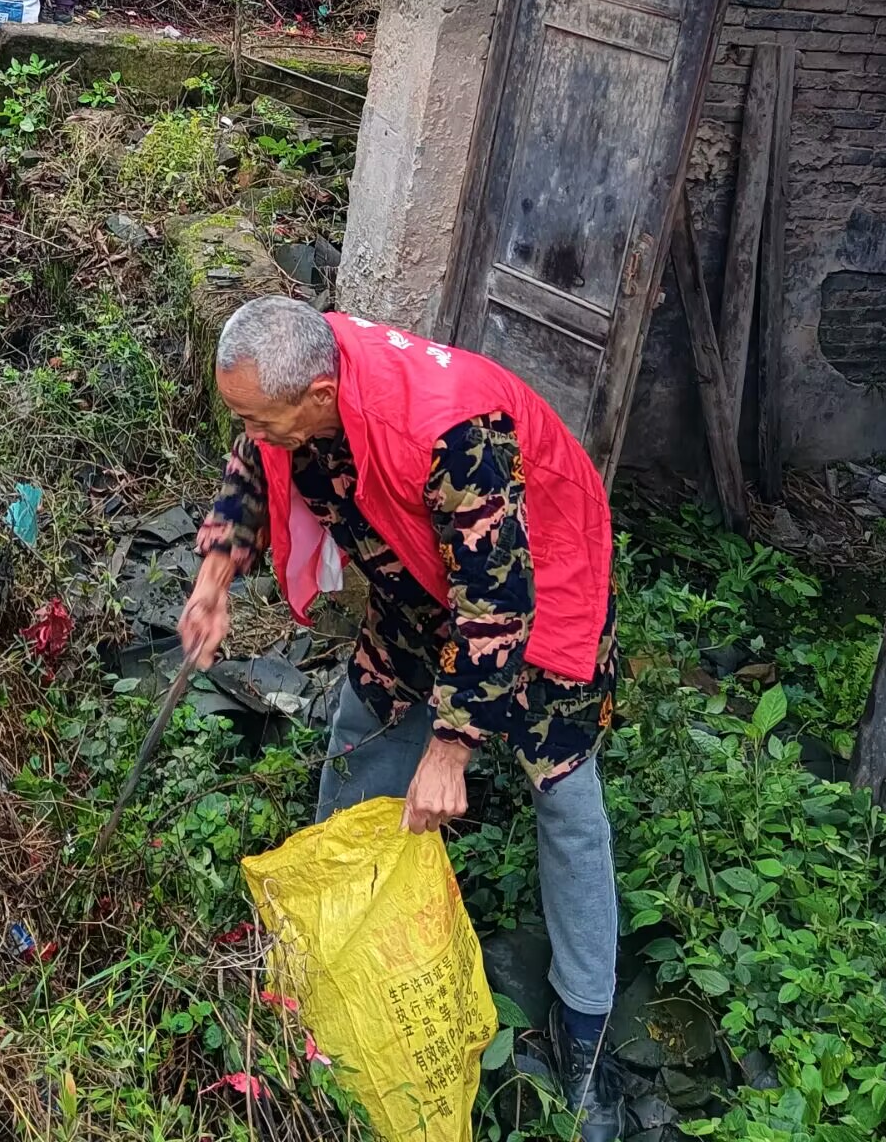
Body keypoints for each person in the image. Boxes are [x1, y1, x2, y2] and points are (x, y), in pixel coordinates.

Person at [179, 297, 623, 1141]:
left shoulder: (453, 432)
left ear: (317, 393)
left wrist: (452, 748)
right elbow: (252, 463)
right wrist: (214, 575)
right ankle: (325, 936)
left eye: (260, 417)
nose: (250, 432)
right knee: (367, 725)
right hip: (419, 584)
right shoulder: (294, 390)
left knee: (564, 797)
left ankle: (587, 1030)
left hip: (540, 593)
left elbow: (496, 604)